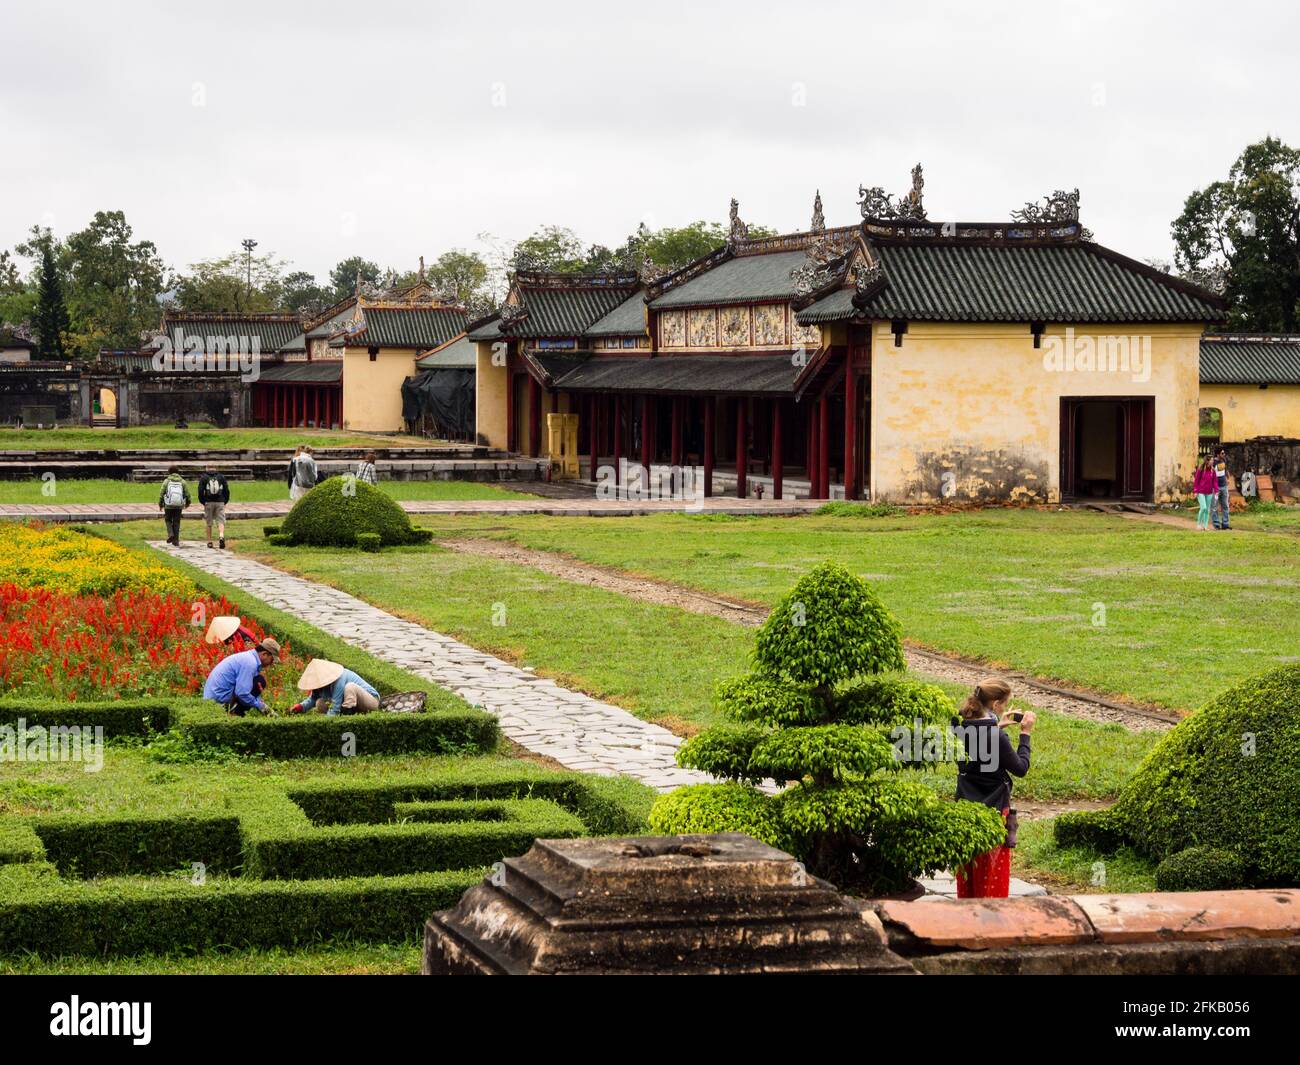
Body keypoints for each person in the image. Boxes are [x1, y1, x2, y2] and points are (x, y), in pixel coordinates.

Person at [951, 677, 1034, 898]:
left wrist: (996, 724)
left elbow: (978, 744)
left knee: (968, 867)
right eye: (1004, 704)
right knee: (990, 873)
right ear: (996, 704)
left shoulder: (958, 728)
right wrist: (1025, 735)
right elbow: (1020, 768)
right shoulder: (996, 737)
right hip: (993, 810)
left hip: (964, 805)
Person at [202, 637, 281, 716]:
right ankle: (234, 715)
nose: (271, 663)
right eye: (272, 660)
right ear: (264, 654)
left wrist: (260, 702)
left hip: (213, 698)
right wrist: (262, 707)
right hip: (218, 701)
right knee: (259, 682)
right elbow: (242, 693)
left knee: (258, 681)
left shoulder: (248, 657)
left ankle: (234, 712)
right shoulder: (250, 663)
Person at [289, 658, 380, 716]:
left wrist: (326, 725)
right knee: (319, 703)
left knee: (350, 687)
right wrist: (300, 707)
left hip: (371, 702)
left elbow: (335, 706)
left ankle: (347, 716)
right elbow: (312, 699)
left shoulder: (339, 679)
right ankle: (347, 713)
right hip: (352, 705)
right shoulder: (319, 686)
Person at [197, 462, 230, 550]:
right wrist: (224, 501)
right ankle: (221, 536)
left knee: (209, 522)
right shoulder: (221, 477)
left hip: (208, 502)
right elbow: (226, 490)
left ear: (206, 468)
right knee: (221, 521)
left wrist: (203, 502)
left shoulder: (203, 477)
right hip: (220, 502)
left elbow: (200, 491)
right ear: (215, 468)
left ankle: (209, 542)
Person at [157, 466, 191, 546]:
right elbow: (187, 494)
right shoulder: (182, 481)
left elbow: (161, 493)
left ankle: (171, 534)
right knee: (176, 522)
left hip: (168, 505)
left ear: (169, 472)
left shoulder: (166, 481)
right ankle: (176, 541)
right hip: (179, 505)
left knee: (168, 520)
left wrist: (160, 504)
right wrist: (188, 503)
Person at [1192, 456, 1217, 531]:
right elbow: (1196, 481)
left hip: (1209, 492)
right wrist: (1195, 491)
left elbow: (1215, 482)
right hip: (1201, 492)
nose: (1213, 461)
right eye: (1212, 460)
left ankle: (1205, 526)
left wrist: (1216, 491)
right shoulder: (1200, 469)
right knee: (1203, 508)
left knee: (1207, 510)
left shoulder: (1213, 470)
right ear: (1207, 461)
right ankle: (1199, 524)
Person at [1212, 447, 1232, 530]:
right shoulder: (1212, 462)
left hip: (1224, 486)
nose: (1224, 454)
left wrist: (1228, 478)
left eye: (1224, 453)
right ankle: (1216, 525)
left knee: (1225, 506)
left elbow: (1225, 470)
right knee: (1214, 507)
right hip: (1215, 488)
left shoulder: (1223, 460)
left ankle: (1225, 524)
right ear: (1218, 454)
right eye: (1222, 453)